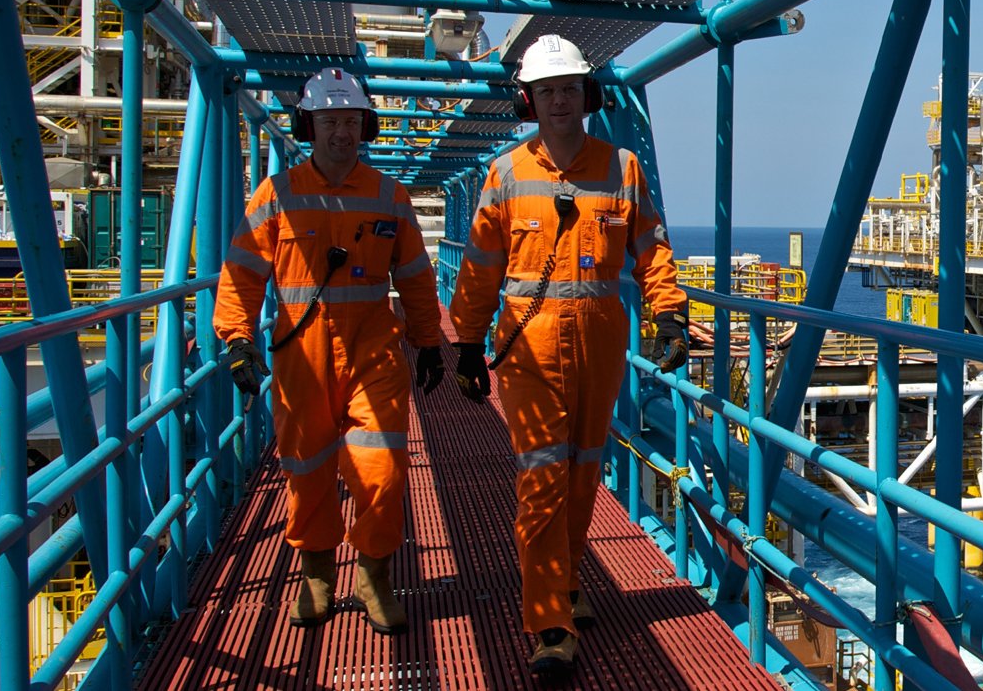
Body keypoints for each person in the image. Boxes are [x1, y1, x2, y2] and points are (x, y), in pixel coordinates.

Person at [448, 34, 690, 678]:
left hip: (601, 340)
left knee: (585, 472)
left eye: (568, 89)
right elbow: (478, 266)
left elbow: (652, 250)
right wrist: (467, 341)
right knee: (543, 477)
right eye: (547, 90)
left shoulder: (623, 168)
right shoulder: (505, 174)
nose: (559, 100)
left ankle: (568, 580)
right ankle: (548, 620)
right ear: (530, 100)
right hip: (528, 345)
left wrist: (668, 312)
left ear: (587, 96)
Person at [215, 67, 446, 635]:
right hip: (302, 353)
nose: (340, 131)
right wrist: (238, 338)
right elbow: (242, 273)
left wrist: (429, 340)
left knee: (383, 467)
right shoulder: (279, 194)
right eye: (329, 121)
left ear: (364, 125)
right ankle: (316, 574)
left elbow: (416, 275)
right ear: (309, 125)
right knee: (308, 467)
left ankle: (374, 575)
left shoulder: (388, 195)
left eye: (349, 120)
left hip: (373, 347)